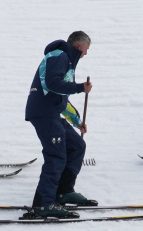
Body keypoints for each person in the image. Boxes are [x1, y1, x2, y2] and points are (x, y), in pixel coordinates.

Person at [24, 31, 95, 220]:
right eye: (86, 50)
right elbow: (52, 84)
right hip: (44, 113)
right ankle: (43, 204)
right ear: (79, 46)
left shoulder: (67, 62)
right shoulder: (58, 56)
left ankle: (63, 191)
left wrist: (77, 121)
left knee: (77, 146)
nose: (86, 54)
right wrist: (80, 87)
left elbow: (61, 97)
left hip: (52, 112)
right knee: (56, 155)